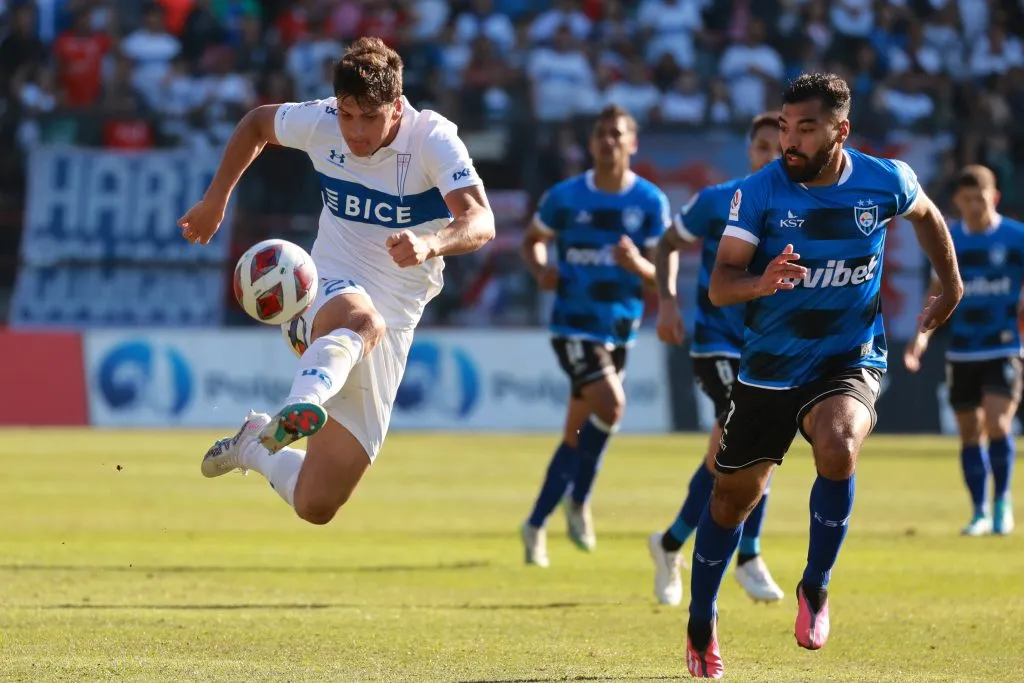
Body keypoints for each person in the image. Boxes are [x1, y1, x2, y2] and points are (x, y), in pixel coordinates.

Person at [683, 73, 962, 678]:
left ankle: (816, 585)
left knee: (838, 446)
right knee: (734, 497)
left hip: (849, 354)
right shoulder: (760, 192)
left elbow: (929, 214)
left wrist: (952, 283)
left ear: (840, 130)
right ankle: (701, 620)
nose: (790, 141)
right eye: (785, 127)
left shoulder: (884, 180)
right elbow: (720, 283)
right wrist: (761, 281)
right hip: (769, 367)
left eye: (805, 129)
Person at [178, 37, 495, 525]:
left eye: (369, 117)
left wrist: (431, 244)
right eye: (347, 115)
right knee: (362, 319)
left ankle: (254, 445)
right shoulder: (322, 121)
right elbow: (257, 123)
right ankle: (299, 406)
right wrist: (216, 200)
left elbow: (480, 221)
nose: (355, 131)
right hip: (319, 289)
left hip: (397, 315)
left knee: (316, 503)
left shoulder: (432, 139)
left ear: (396, 107)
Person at [519, 105, 671, 567]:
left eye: (617, 134)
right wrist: (542, 268)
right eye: (601, 134)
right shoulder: (566, 196)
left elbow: (660, 274)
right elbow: (532, 240)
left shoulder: (649, 202)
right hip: (572, 326)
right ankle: (580, 499)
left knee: (578, 432)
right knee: (613, 405)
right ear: (591, 143)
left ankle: (535, 523)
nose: (608, 141)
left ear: (632, 143)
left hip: (619, 329)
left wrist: (638, 265)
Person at [649, 112, 784, 607]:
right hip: (716, 343)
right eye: (763, 146)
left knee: (737, 456)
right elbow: (668, 243)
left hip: (771, 349)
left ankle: (669, 544)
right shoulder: (717, 201)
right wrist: (666, 301)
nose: (772, 155)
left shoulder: (804, 208)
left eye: (780, 146)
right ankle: (747, 554)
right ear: (750, 151)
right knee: (750, 437)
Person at [904, 165, 1023, 537]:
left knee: (998, 423)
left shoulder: (1016, 237)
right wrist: (921, 337)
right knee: (970, 433)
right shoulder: (950, 239)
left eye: (980, 198)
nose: (974, 206)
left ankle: (1003, 504)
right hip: (963, 350)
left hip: (1004, 346)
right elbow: (936, 292)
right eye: (967, 199)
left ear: (995, 197)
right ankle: (979, 511)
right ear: (957, 201)